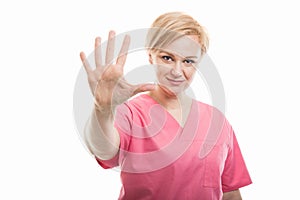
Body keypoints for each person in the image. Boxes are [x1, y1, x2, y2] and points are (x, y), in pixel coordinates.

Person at [79, 11, 252, 200]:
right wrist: (102, 109)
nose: (177, 71)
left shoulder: (217, 122)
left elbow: (230, 193)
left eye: (188, 61)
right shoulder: (131, 114)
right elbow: (102, 148)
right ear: (150, 56)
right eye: (167, 58)